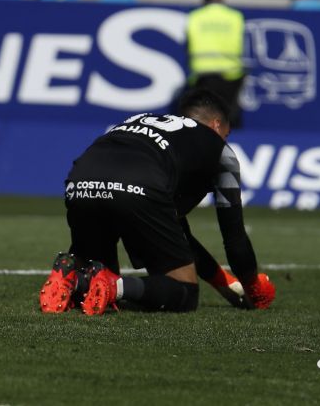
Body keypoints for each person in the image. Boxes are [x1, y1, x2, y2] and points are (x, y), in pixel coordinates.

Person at [38, 89, 275, 316]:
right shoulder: (219, 150)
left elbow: (180, 237)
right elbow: (234, 240)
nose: (225, 139)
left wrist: (229, 285)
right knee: (185, 293)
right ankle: (115, 286)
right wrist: (253, 286)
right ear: (216, 125)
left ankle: (74, 277)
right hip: (138, 184)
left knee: (93, 275)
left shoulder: (146, 122)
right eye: (226, 133)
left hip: (82, 179)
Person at [185, 0, 245, 129]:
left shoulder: (195, 16)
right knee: (228, 112)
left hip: (204, 72)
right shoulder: (235, 16)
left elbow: (190, 43)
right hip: (230, 71)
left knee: (204, 114)